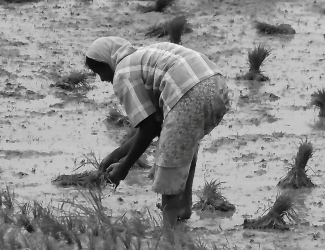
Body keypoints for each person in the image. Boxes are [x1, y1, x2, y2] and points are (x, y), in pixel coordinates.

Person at [85, 37, 230, 226]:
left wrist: (124, 167)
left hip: (191, 91)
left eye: (99, 72)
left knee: (170, 155)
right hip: (216, 86)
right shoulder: (142, 57)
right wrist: (115, 156)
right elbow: (152, 124)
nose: (102, 79)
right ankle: (183, 207)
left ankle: (169, 231)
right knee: (183, 144)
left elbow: (149, 129)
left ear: (107, 62)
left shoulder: (123, 72)